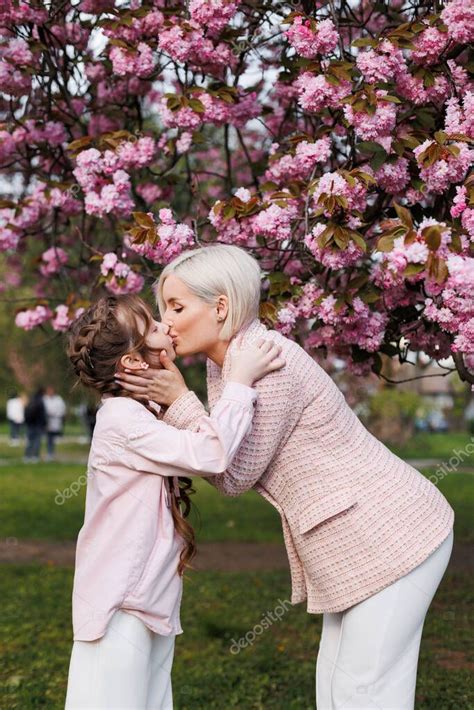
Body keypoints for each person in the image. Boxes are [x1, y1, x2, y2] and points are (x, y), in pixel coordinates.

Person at [116, 244, 455, 710]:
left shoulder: (266, 361)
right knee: (337, 688)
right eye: (163, 309)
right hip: (359, 537)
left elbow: (232, 473)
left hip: (395, 532)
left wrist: (178, 400)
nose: (166, 322)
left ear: (220, 307)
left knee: (364, 689)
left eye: (176, 307)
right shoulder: (229, 364)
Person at [64, 293, 284, 709]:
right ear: (130, 362)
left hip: (147, 598)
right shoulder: (122, 420)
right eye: (151, 325)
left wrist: (178, 394)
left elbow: (203, 443)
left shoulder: (140, 414)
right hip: (120, 602)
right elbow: (211, 454)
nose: (165, 325)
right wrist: (239, 384)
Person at [23, 388, 47, 463]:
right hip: (38, 425)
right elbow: (43, 414)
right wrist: (44, 424)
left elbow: (25, 411)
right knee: (37, 441)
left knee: (29, 441)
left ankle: (27, 456)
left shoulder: (31, 400)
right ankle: (35, 456)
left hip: (30, 424)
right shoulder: (41, 401)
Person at [43, 386, 66, 461]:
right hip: (47, 421)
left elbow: (62, 410)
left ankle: (51, 453)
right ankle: (49, 453)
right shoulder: (45, 399)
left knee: (52, 439)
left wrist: (54, 413)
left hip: (55, 421)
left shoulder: (58, 399)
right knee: (49, 438)